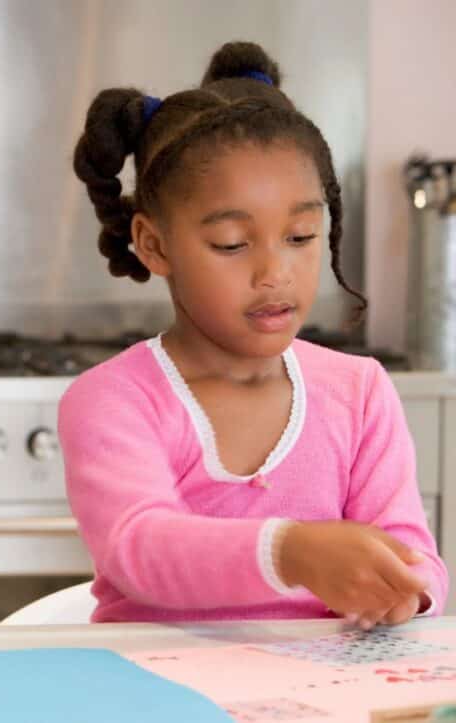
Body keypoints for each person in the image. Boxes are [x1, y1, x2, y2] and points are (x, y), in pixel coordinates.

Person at [61, 41, 448, 626]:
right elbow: (139, 547)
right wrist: (290, 552)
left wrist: (406, 588)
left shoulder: (360, 391)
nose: (275, 273)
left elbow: (417, 558)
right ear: (155, 244)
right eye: (232, 245)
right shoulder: (114, 400)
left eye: (300, 236)